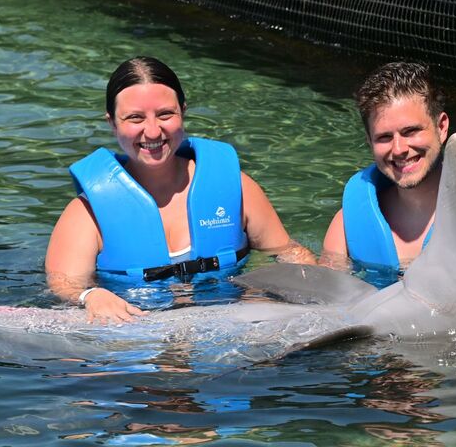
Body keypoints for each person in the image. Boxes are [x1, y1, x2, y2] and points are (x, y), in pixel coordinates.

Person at [46, 56, 315, 324]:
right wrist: (91, 295)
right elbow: (64, 284)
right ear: (112, 123)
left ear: (183, 112)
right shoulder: (88, 212)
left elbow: (288, 251)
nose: (152, 132)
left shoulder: (235, 188)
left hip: (233, 328)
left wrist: (320, 289)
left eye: (165, 114)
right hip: (137, 338)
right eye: (135, 118)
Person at [320, 61, 456, 285]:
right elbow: (326, 302)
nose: (399, 149)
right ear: (369, 141)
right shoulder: (347, 225)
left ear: (441, 127)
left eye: (411, 131)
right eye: (384, 137)